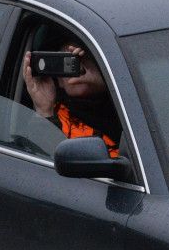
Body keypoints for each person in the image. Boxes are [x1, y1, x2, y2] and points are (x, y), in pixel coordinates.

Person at [23, 30, 122, 158]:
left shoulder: (127, 102)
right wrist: (44, 110)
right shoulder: (55, 119)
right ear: (59, 81)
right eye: (67, 64)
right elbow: (51, 161)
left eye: (85, 60)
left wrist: (107, 78)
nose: (79, 69)